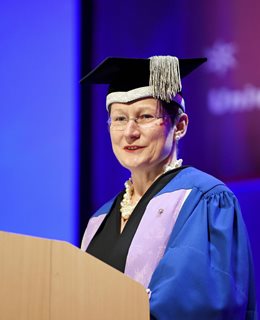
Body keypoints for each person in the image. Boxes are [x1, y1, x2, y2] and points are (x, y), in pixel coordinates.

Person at [80, 56, 257, 319]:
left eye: (145, 116)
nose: (130, 132)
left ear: (180, 126)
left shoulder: (204, 199)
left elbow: (200, 300)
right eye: (119, 119)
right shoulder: (100, 219)